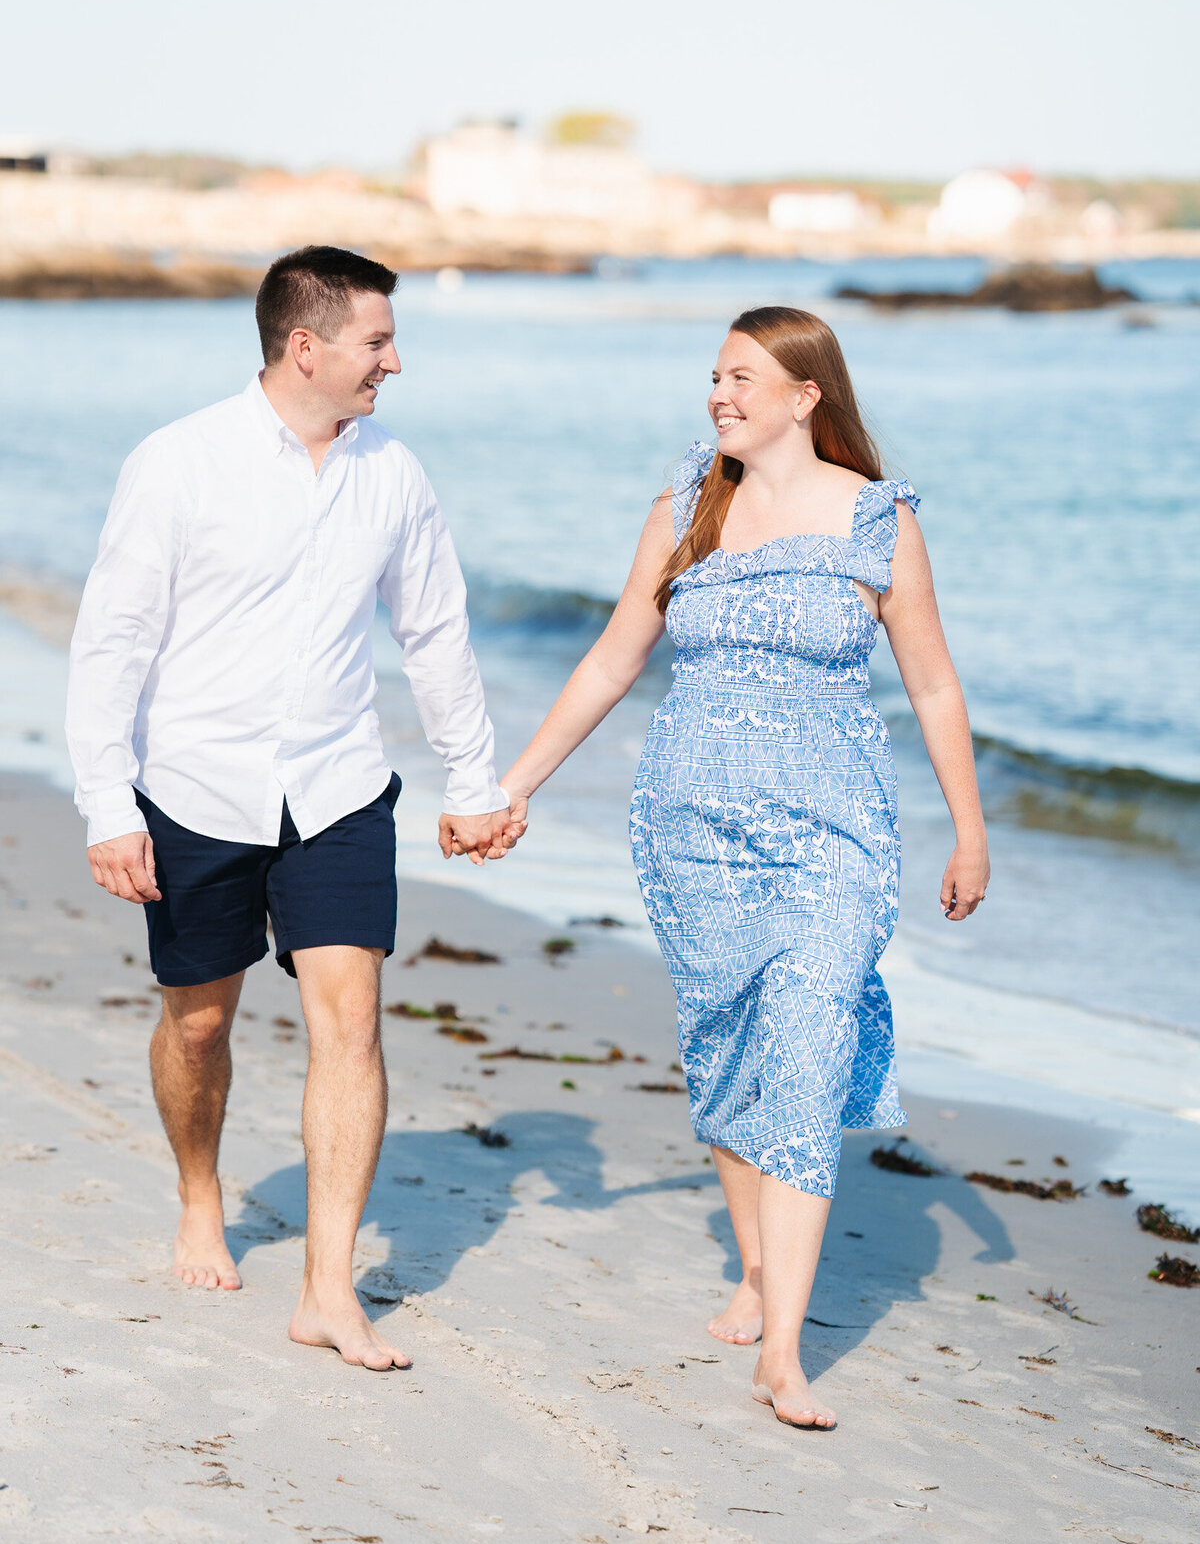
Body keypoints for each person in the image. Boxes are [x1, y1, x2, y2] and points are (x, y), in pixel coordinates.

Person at [498, 306, 989, 1429]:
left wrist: (970, 827)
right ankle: (759, 1264)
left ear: (807, 393)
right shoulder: (688, 505)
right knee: (726, 1040)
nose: (719, 393)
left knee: (810, 1038)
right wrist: (515, 783)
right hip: (691, 824)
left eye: (742, 377)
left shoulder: (880, 519)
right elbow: (618, 652)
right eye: (714, 375)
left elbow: (934, 685)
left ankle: (782, 1350)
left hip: (834, 830)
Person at [65, 245, 514, 1371]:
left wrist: (474, 781)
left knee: (350, 1023)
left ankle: (326, 1287)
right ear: (304, 345)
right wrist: (106, 804)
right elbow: (112, 640)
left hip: (338, 790)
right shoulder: (179, 462)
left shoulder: (395, 472)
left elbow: (435, 634)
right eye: (377, 340)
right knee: (199, 1020)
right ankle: (200, 1192)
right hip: (196, 790)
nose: (394, 362)